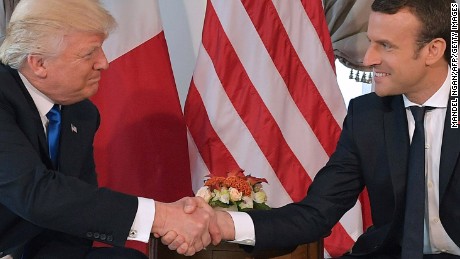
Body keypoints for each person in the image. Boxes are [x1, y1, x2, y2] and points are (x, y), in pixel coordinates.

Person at [165, 0, 458, 258]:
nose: (369, 59)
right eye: (370, 42)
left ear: (433, 50)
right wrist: (222, 223)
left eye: (386, 46)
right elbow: (316, 213)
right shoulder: (367, 115)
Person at [0, 0, 220, 258]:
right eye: (89, 53)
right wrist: (159, 217)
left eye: (101, 50)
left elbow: (73, 217)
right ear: (38, 63)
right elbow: (35, 194)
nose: (104, 63)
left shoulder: (81, 113)